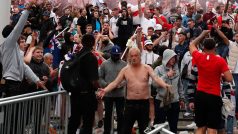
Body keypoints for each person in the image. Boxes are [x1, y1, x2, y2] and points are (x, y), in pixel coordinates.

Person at [97, 47, 171, 134]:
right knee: (125, 130)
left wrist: (165, 85)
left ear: (140, 56)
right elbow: (115, 83)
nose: (133, 58)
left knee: (144, 130)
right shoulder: (125, 70)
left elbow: (156, 78)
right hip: (130, 104)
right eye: (131, 56)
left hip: (144, 104)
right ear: (129, 57)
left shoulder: (147, 68)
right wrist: (105, 90)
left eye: (136, 55)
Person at [189, 30, 233, 134]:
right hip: (214, 96)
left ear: (203, 47)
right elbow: (230, 78)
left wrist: (202, 35)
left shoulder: (199, 57)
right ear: (215, 47)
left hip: (200, 95)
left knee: (200, 126)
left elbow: (191, 44)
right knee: (212, 127)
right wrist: (221, 75)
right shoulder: (220, 60)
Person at [0, 4, 45, 97]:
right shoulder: (8, 43)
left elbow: (24, 67)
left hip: (15, 83)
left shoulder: (13, 48)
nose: (19, 36)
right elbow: (18, 28)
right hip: (11, 83)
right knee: (12, 110)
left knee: (15, 111)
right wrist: (27, 11)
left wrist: (36, 80)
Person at [67, 34, 99, 134]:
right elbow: (94, 80)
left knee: (74, 120)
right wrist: (99, 87)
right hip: (87, 95)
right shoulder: (91, 57)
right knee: (87, 122)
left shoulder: (75, 55)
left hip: (75, 94)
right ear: (93, 44)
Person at [99, 45, 127, 134]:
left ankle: (120, 132)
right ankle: (107, 132)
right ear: (111, 54)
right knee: (107, 114)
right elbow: (100, 77)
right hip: (108, 95)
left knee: (120, 115)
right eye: (114, 55)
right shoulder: (104, 64)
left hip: (120, 94)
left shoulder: (124, 64)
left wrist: (121, 84)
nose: (116, 56)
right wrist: (107, 85)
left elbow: (127, 78)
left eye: (117, 55)